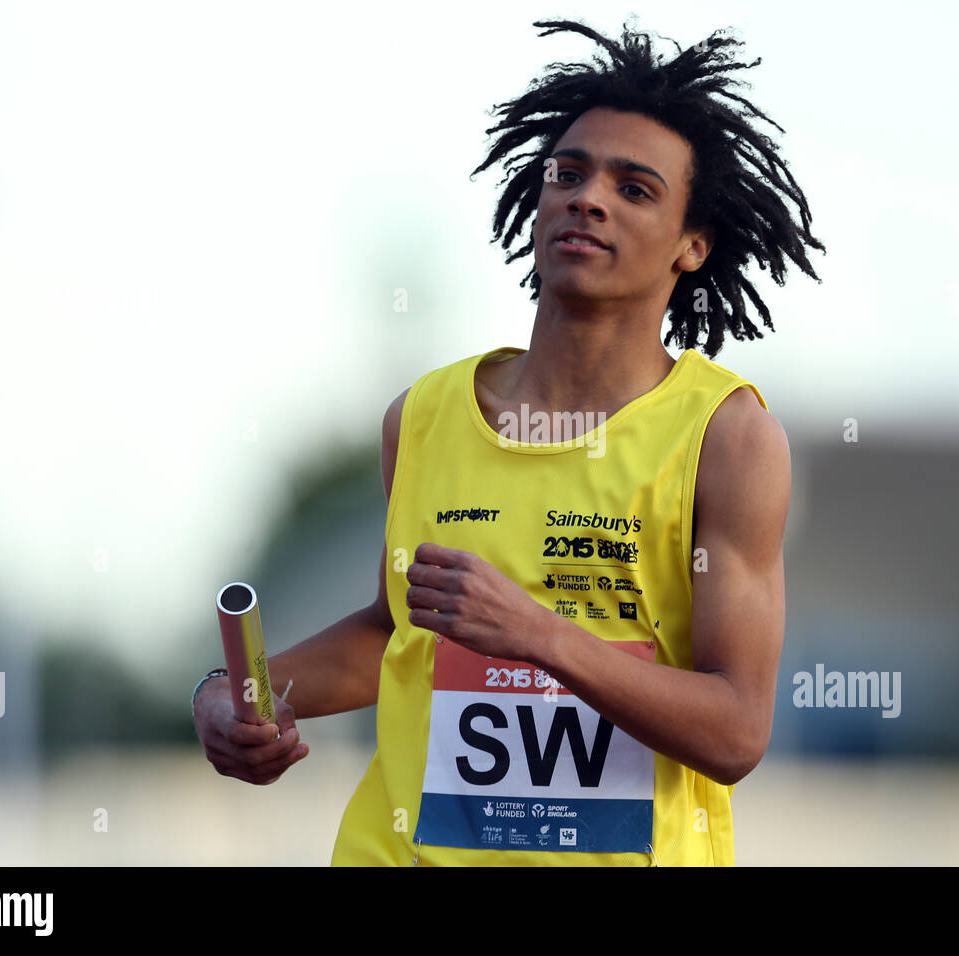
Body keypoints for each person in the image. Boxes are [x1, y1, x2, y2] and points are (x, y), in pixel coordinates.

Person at [193, 16, 823, 866]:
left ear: (692, 245)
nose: (586, 196)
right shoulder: (422, 415)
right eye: (568, 173)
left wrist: (542, 637)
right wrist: (236, 695)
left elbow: (736, 729)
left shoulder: (729, 438)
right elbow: (393, 636)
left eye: (634, 189)